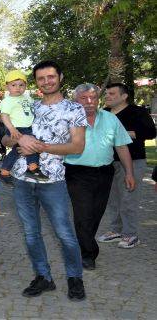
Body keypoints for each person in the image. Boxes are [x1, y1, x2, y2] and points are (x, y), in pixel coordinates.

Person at [4, 60, 87, 301]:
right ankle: (43, 277)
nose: (46, 82)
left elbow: (77, 146)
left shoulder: (74, 109)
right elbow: (6, 141)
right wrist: (17, 140)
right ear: (36, 83)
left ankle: (75, 278)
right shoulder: (29, 106)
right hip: (21, 179)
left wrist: (41, 146)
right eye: (41, 78)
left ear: (60, 77)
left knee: (64, 233)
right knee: (31, 233)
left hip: (52, 181)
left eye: (51, 77)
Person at [64, 84, 134, 270]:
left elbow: (121, 146)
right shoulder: (67, 120)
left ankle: (85, 247)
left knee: (96, 213)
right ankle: (88, 254)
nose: (89, 102)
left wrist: (129, 173)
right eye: (84, 98)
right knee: (83, 213)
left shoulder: (110, 119)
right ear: (75, 101)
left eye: (93, 98)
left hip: (105, 173)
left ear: (98, 100)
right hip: (76, 172)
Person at [98, 83, 157, 248]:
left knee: (128, 198)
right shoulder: (103, 113)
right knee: (113, 199)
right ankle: (116, 230)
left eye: (112, 93)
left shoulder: (137, 111)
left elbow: (150, 133)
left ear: (124, 96)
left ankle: (131, 235)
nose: (107, 96)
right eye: (106, 94)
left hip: (133, 160)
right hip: (108, 161)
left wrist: (122, 133)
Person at [0, 70, 44, 182]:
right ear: (7, 86)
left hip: (28, 127)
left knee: (17, 150)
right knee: (32, 144)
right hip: (16, 128)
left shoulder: (27, 97)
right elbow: (4, 116)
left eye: (21, 85)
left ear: (25, 86)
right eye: (13, 85)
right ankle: (33, 167)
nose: (18, 88)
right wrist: (12, 129)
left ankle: (4, 171)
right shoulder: (7, 101)